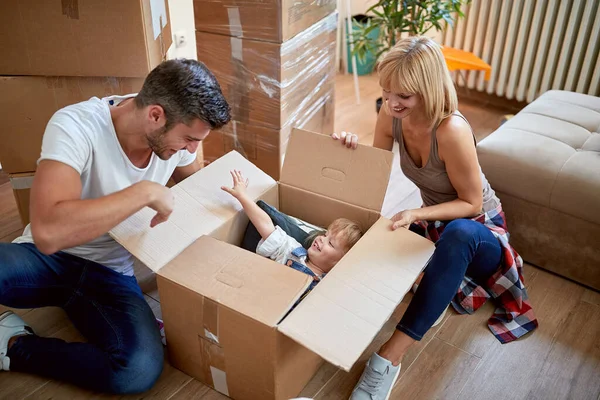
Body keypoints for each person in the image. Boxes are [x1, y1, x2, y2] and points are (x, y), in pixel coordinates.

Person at [0, 59, 231, 394]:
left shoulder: (174, 141)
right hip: (46, 258)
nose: (193, 149)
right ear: (155, 115)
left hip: (110, 274)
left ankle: (15, 345)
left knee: (135, 372)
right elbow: (49, 232)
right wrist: (143, 192)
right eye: (189, 138)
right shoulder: (76, 126)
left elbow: (203, 189)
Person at [332, 36, 538, 400]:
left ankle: (387, 361)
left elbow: (473, 204)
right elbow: (374, 170)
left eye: (404, 96)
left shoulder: (451, 130)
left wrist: (417, 212)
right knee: (391, 231)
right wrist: (350, 147)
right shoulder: (390, 113)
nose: (392, 102)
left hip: (479, 230)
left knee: (456, 233)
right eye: (386, 91)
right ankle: (435, 288)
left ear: (427, 90)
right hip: (437, 224)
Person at [221, 169, 362, 289]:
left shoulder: (331, 286)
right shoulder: (292, 251)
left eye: (330, 243)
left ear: (342, 263)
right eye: (325, 235)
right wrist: (242, 196)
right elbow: (266, 225)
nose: (321, 239)